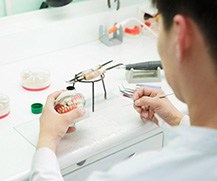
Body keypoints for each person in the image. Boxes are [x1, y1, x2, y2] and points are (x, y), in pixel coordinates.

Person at [30, 0, 217, 180]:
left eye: (158, 22)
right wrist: (177, 120)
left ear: (180, 37)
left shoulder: (140, 175)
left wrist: (47, 139)